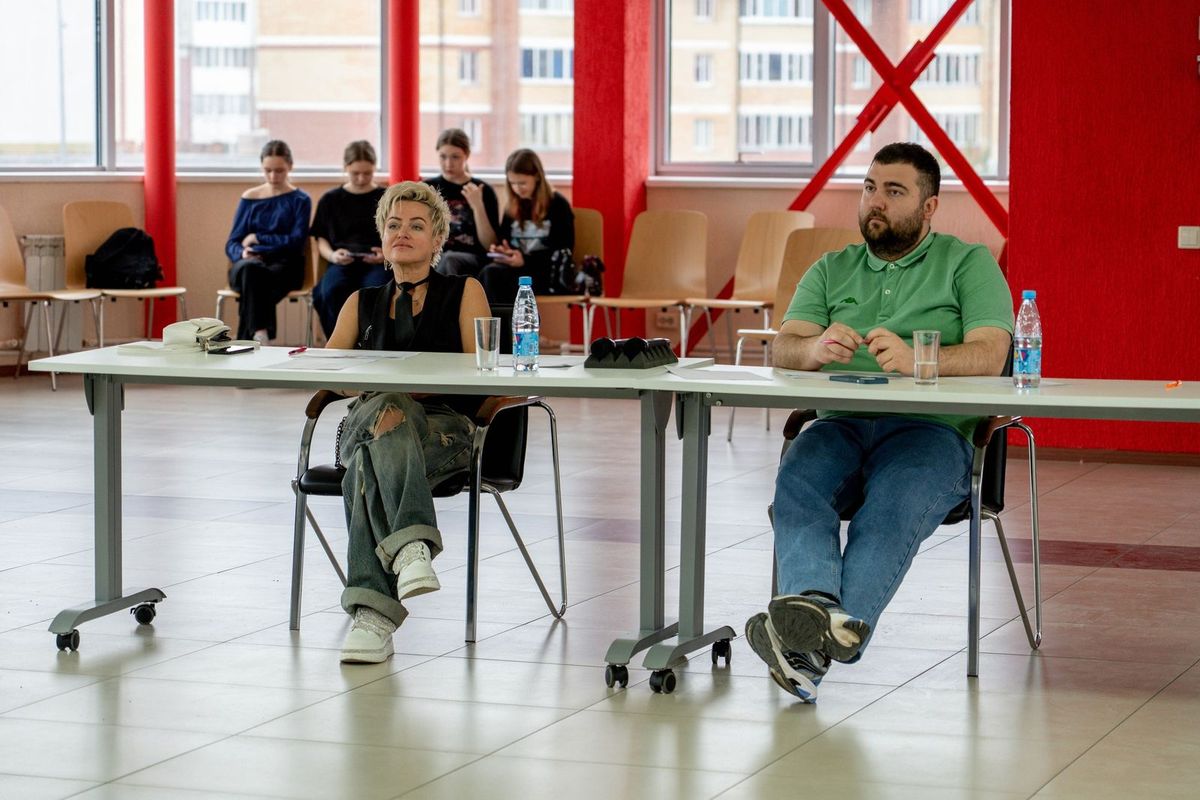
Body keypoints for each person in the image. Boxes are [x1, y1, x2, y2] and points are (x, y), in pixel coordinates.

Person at [746, 142, 1014, 702]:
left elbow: (992, 354)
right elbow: (784, 347)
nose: (876, 202)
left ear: (929, 206)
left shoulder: (969, 263)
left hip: (933, 432)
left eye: (894, 191)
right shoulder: (831, 267)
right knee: (799, 480)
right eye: (870, 188)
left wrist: (923, 360)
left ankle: (807, 645)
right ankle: (818, 613)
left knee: (893, 504)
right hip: (840, 424)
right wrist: (814, 347)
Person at [325, 181, 491, 664]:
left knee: (364, 469)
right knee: (386, 408)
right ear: (381, 236)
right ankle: (411, 545)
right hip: (367, 423)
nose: (402, 232)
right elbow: (327, 375)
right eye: (393, 224)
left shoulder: (465, 291)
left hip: (442, 430)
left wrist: (395, 386)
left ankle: (372, 618)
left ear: (438, 238)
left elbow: (481, 374)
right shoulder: (360, 302)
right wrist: (380, 387)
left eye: (417, 226)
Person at [224, 140, 312, 343]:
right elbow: (232, 243)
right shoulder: (249, 198)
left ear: (290, 166)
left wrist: (258, 238)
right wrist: (243, 253)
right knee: (251, 270)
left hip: (285, 268)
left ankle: (252, 337)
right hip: (249, 265)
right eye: (268, 170)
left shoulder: (300, 200)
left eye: (279, 171)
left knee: (254, 279)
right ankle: (260, 333)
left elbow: (296, 242)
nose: (273, 176)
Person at [310, 140, 389, 338]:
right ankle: (340, 341)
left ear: (374, 168)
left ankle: (369, 343)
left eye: (367, 173)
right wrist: (333, 256)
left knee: (376, 292)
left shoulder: (386, 197)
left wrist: (385, 255)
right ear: (346, 168)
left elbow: (397, 233)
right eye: (355, 173)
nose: (361, 179)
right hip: (341, 262)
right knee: (330, 290)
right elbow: (321, 238)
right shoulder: (330, 199)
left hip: (378, 263)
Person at [478, 148, 574, 303]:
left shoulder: (557, 205)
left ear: (537, 177)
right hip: (516, 269)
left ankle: (501, 319)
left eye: (522, 183)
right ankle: (496, 318)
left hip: (544, 271)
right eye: (513, 183)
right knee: (488, 273)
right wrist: (503, 251)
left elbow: (563, 249)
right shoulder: (512, 207)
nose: (517, 189)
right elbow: (504, 239)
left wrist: (525, 261)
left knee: (494, 277)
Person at [424, 128, 500, 279]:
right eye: (443, 157)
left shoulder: (483, 190)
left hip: (472, 258)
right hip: (434, 256)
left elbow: (490, 245)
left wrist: (478, 206)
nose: (448, 164)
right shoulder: (427, 189)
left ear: (467, 155)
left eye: (455, 157)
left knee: (450, 259)